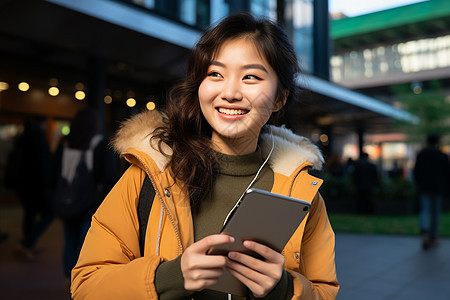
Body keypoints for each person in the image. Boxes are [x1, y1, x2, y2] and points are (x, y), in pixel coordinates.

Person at [71, 13, 339, 299]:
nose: (230, 92)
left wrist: (284, 289)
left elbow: (323, 292)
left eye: (250, 77)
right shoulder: (149, 174)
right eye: (215, 74)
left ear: (279, 98)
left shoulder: (301, 193)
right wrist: (170, 278)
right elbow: (87, 285)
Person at [53, 108, 119, 283]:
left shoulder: (65, 144)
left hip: (66, 202)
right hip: (89, 204)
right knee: (85, 245)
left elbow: (53, 174)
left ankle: (69, 278)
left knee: (69, 242)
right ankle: (80, 282)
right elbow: (109, 178)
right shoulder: (100, 146)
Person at [5, 117, 54, 261]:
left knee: (29, 214)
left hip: (23, 185)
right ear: (41, 124)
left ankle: (28, 244)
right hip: (37, 185)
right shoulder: (39, 139)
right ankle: (26, 243)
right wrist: (48, 184)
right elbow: (43, 165)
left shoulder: (22, 138)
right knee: (49, 214)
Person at [413, 134, 450, 250]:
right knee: (435, 213)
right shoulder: (442, 155)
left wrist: (419, 183)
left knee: (425, 210)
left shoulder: (421, 154)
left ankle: (425, 233)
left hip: (424, 187)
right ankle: (433, 237)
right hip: (438, 188)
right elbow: (447, 173)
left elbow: (416, 172)